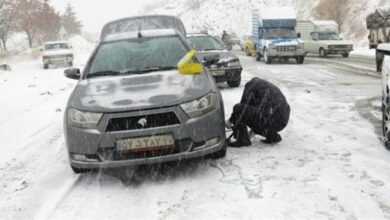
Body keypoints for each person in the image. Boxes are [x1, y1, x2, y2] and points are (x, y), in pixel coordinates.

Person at [227, 77, 290, 147]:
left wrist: (230, 121)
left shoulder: (251, 86)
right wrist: (254, 129)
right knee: (260, 115)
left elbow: (242, 107)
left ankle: (243, 140)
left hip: (272, 116)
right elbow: (255, 111)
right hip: (282, 119)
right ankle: (272, 137)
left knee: (238, 108)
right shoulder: (264, 88)